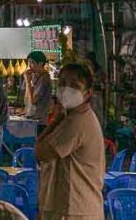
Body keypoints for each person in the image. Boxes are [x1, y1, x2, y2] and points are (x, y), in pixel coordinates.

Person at [34, 63, 105, 220]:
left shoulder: (77, 122)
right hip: (67, 208)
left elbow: (41, 153)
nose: (66, 90)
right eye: (62, 84)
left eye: (74, 85)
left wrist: (54, 120)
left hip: (74, 210)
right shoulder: (70, 118)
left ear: (88, 93)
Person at [24, 51, 52, 132]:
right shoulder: (34, 76)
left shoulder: (44, 79)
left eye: (32, 63)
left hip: (39, 121)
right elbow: (27, 98)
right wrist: (27, 82)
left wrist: (28, 82)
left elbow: (33, 101)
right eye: (28, 63)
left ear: (40, 63)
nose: (29, 66)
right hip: (31, 117)